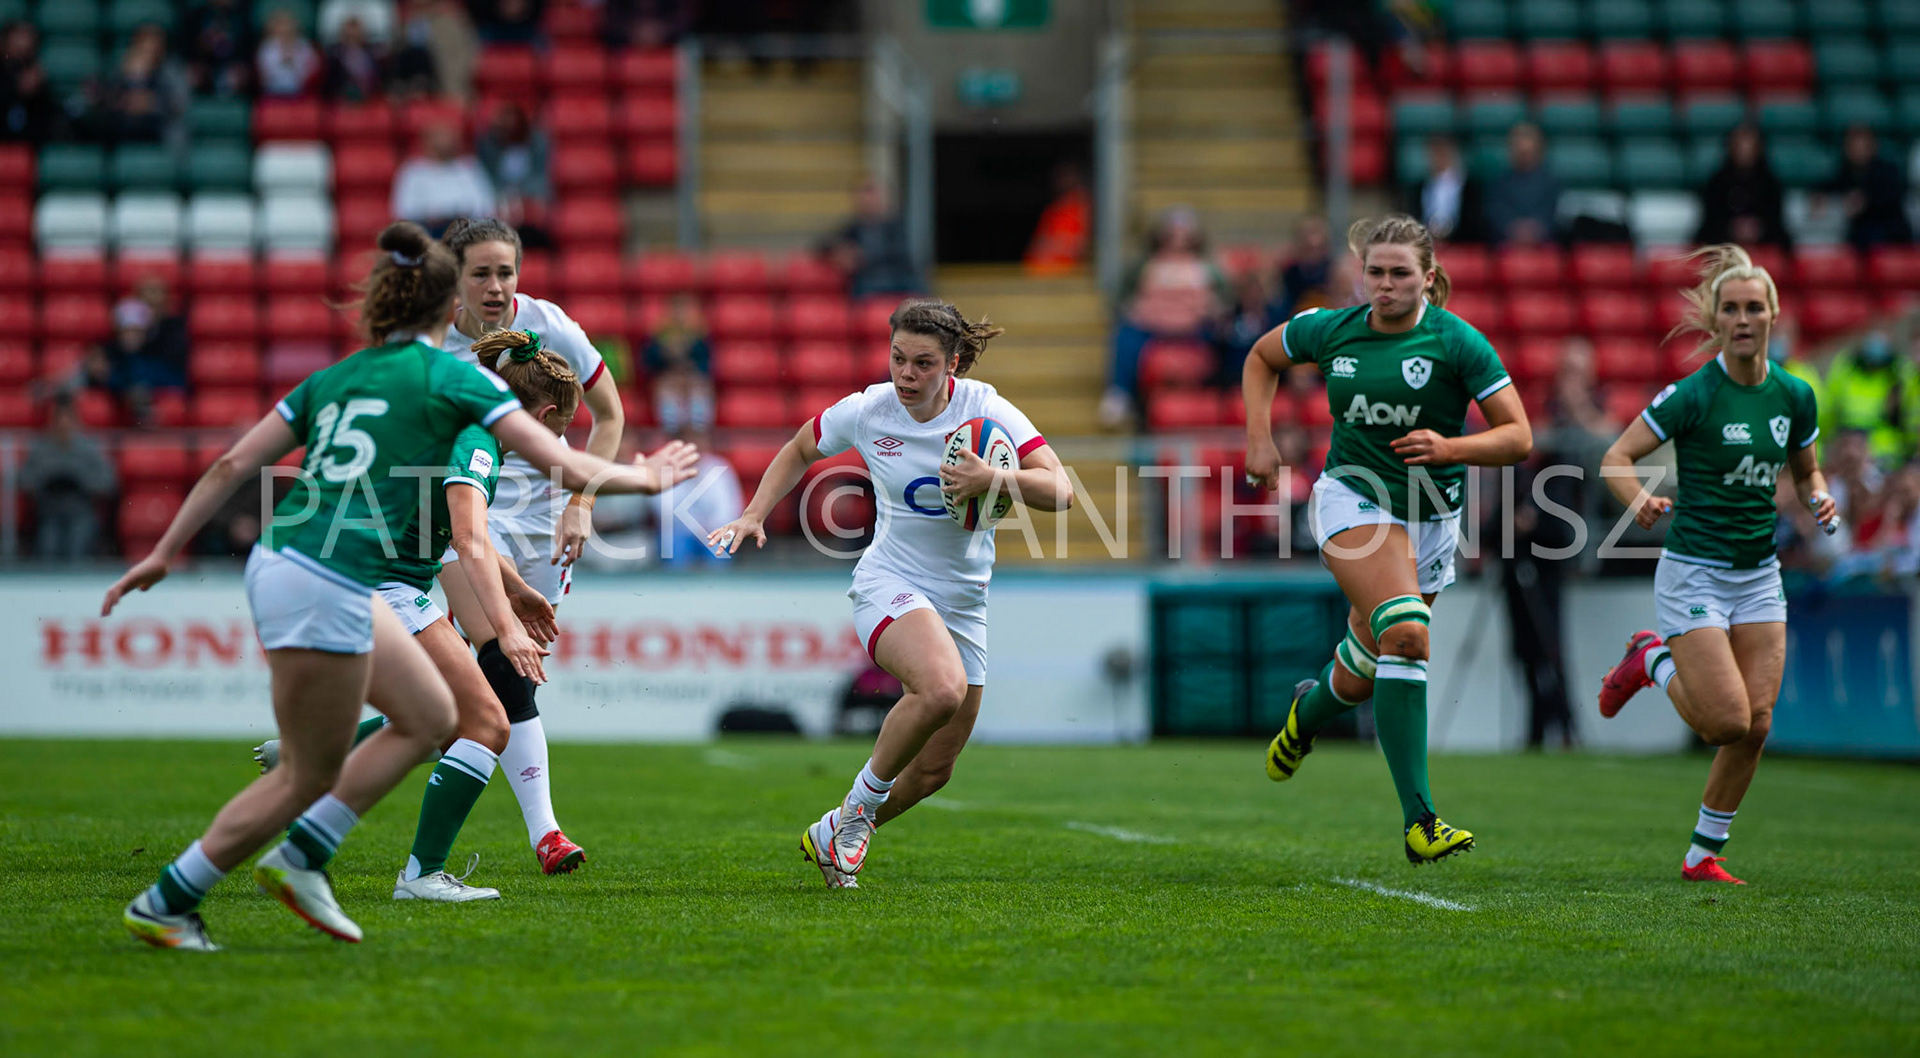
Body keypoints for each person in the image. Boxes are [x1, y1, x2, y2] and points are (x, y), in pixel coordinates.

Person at [107, 221, 695, 951]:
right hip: (351, 575)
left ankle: (196, 891)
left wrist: (164, 551)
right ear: (447, 304)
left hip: (285, 561)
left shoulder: (340, 375)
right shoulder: (457, 380)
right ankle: (329, 861)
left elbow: (231, 467)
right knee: (460, 723)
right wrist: (649, 477)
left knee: (393, 736)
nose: (490, 295)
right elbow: (544, 477)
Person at [707, 299, 1074, 887]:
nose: (906, 374)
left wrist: (995, 479)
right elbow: (803, 445)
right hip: (890, 582)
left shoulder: (988, 409)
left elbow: (1061, 492)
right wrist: (754, 513)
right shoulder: (871, 409)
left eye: (923, 363)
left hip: (964, 600)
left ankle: (839, 831)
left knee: (934, 770)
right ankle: (853, 813)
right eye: (898, 358)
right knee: (941, 688)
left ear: (953, 363)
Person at [1243, 213, 1532, 863]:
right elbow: (1262, 356)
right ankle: (1421, 823)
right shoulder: (1331, 329)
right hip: (1352, 499)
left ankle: (1305, 717)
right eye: (1374, 272)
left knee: (1370, 664)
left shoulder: (1459, 343)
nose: (1385, 284)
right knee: (1407, 632)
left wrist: (1451, 445)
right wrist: (1260, 440)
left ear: (1428, 278)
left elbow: (1519, 437)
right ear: (1359, 274)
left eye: (1400, 273)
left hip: (1433, 515)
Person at [252, 330, 580, 901]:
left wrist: (519, 588)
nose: (555, 445)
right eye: (558, 432)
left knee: (444, 720)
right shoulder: (478, 441)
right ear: (544, 414)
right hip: (381, 584)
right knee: (488, 723)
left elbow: (454, 529)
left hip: (356, 575)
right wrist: (506, 631)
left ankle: (315, 767)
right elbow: (468, 533)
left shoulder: (460, 422)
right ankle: (420, 874)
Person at [1596, 245, 1835, 886]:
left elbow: (1806, 469)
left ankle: (1703, 853)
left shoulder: (1795, 395)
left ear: (1774, 314)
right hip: (1694, 572)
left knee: (1756, 726)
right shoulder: (1693, 394)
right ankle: (1650, 657)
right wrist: (1640, 499)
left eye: (1754, 307)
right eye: (1730, 308)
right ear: (1716, 320)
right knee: (1724, 721)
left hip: (1758, 575)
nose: (1743, 318)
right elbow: (1615, 458)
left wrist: (1819, 495)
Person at [438, 216, 627, 874]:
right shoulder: (429, 341)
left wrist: (582, 501)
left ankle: (361, 736)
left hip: (543, 511)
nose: (496, 287)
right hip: (462, 505)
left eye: (506, 272)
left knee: (489, 674)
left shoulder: (550, 325)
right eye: (480, 273)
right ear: (453, 277)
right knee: (500, 644)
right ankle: (546, 832)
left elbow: (611, 416)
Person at [1101, 207, 1230, 427]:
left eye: (1184, 234)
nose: (1177, 241)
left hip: (1195, 328)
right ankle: (1120, 393)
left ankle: (1225, 394)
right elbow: (1122, 298)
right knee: (1126, 336)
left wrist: (1216, 310)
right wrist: (1133, 309)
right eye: (1172, 234)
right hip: (1152, 327)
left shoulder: (1208, 268)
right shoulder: (1143, 266)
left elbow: (1225, 300)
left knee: (1226, 336)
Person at [19, 396, 116, 560]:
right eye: (59, 419)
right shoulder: (40, 448)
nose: (63, 424)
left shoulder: (89, 448)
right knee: (48, 547)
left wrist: (81, 480)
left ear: (75, 421)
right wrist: (47, 478)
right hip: (49, 514)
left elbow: (107, 482)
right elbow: (24, 481)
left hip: (80, 512)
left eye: (67, 419)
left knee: (77, 548)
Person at [818, 177, 923, 300]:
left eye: (872, 193)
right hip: (868, 282)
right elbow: (823, 244)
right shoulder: (854, 227)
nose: (868, 200)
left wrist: (861, 257)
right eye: (863, 194)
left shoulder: (898, 225)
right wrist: (839, 253)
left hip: (898, 279)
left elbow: (901, 254)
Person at [1822, 329, 1914, 467]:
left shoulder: (1898, 375)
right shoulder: (1847, 370)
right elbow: (1830, 412)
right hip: (1847, 440)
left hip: (1882, 450)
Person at [1695, 124, 1789, 249]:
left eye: (1749, 146)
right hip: (1724, 238)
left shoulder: (1770, 182)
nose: (1745, 151)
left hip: (1764, 238)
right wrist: (1732, 228)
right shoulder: (1717, 181)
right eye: (1740, 146)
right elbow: (1711, 217)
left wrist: (1758, 228)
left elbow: (1775, 217)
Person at [1820, 124, 1912, 252]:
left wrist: (1865, 203)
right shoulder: (1844, 171)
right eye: (1853, 146)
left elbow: (1891, 199)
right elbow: (1828, 189)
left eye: (1863, 145)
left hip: (1888, 231)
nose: (1858, 150)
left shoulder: (1887, 171)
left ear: (1873, 147)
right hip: (1855, 233)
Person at [392, 123, 494, 237]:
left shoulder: (469, 167)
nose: (444, 143)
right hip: (426, 232)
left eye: (448, 139)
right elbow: (404, 209)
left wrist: (457, 214)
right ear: (426, 143)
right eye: (438, 139)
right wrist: (431, 215)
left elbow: (484, 206)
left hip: (462, 231)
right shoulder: (412, 171)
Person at [474, 101, 552, 247]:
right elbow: (488, 178)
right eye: (504, 125)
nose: (509, 127)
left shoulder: (537, 144)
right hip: (501, 201)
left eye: (512, 122)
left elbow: (540, 179)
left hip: (529, 200)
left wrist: (522, 199)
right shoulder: (491, 148)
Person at [1486, 122, 1559, 247]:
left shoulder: (1552, 183)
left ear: (1538, 149)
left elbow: (1553, 214)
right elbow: (1496, 214)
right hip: (1506, 246)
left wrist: (1535, 230)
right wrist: (1514, 229)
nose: (1523, 151)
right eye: (1519, 148)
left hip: (1544, 246)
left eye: (1528, 150)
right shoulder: (1499, 183)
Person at [1403, 136, 1483, 244]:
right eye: (1435, 153)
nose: (1439, 158)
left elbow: (1476, 223)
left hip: (1460, 246)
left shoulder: (1472, 189)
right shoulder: (1417, 189)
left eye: (1443, 153)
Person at [1024, 163, 1090, 276]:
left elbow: (1079, 244)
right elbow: (1041, 243)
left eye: (1066, 175)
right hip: (1042, 273)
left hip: (1066, 275)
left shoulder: (1084, 207)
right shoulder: (1055, 209)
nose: (1061, 180)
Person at [256, 8, 321, 97]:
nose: (285, 30)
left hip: (302, 93)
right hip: (272, 93)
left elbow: (313, 70)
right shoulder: (267, 49)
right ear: (274, 29)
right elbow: (264, 76)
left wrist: (295, 62)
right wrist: (282, 60)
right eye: (281, 27)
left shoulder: (305, 46)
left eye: (288, 26)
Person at [322, 15, 388, 102]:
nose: (352, 41)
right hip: (341, 104)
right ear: (342, 36)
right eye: (348, 37)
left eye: (355, 37)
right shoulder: (333, 58)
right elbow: (328, 89)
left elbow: (380, 86)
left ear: (363, 35)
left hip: (369, 102)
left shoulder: (374, 56)